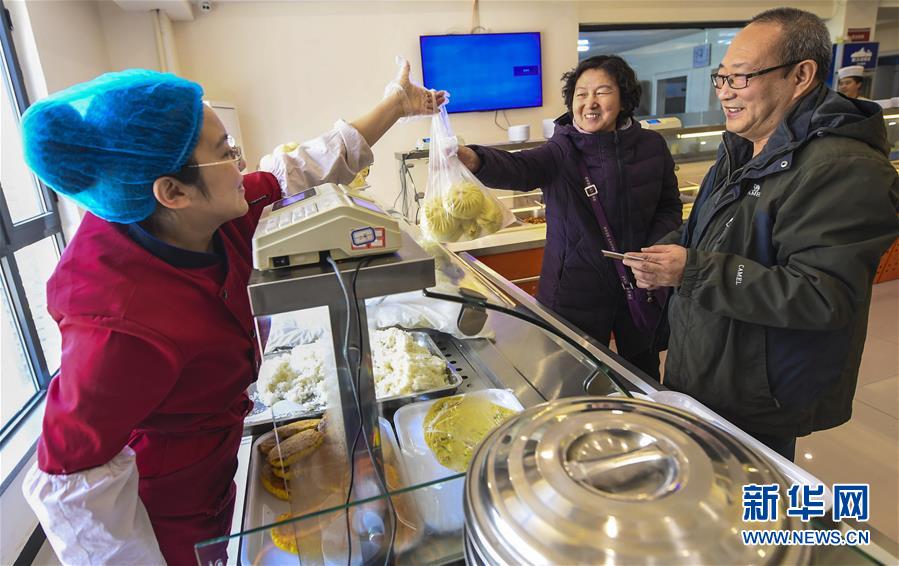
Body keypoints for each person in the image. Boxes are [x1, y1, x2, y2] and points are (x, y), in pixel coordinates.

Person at [21, 64, 445, 565]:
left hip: (219, 465)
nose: (241, 165)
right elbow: (71, 480)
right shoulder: (118, 325)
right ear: (172, 192)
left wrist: (394, 106)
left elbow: (300, 170)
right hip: (166, 517)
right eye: (226, 154)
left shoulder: (203, 218)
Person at [623, 8, 899, 461]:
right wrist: (665, 251)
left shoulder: (844, 168)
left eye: (742, 77)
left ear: (801, 75)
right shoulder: (742, 146)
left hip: (755, 389)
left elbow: (821, 295)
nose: (725, 93)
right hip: (705, 367)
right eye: (721, 78)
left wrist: (691, 270)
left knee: (753, 511)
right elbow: (710, 232)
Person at [456, 55, 682, 379]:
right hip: (572, 290)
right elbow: (520, 168)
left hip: (638, 284)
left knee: (639, 373)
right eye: (581, 93)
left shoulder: (651, 146)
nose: (590, 102)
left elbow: (668, 206)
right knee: (568, 374)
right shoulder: (561, 149)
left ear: (624, 98)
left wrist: (650, 253)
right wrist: (475, 159)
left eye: (602, 92)